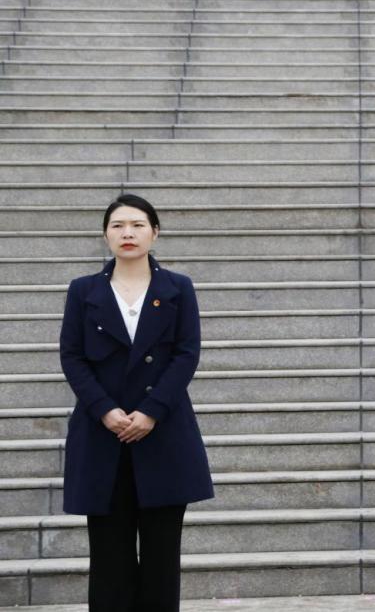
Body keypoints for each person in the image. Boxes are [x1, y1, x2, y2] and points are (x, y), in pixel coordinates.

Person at [60, 194, 214, 611]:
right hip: (101, 436)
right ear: (105, 235)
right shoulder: (84, 290)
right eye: (118, 225)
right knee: (109, 557)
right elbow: (72, 356)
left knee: (162, 557)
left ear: (155, 232)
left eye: (138, 225)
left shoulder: (177, 287)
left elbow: (187, 353)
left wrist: (151, 411)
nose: (127, 233)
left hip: (164, 434)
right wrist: (105, 410)